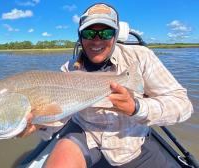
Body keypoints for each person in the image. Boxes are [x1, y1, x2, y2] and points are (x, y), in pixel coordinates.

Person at [18, 3, 194, 168]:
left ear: (116, 35)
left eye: (105, 33)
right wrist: (39, 123)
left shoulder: (141, 57)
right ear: (80, 36)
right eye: (88, 33)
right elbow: (60, 116)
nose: (96, 40)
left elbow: (183, 105)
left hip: (132, 143)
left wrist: (137, 108)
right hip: (85, 134)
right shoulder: (68, 69)